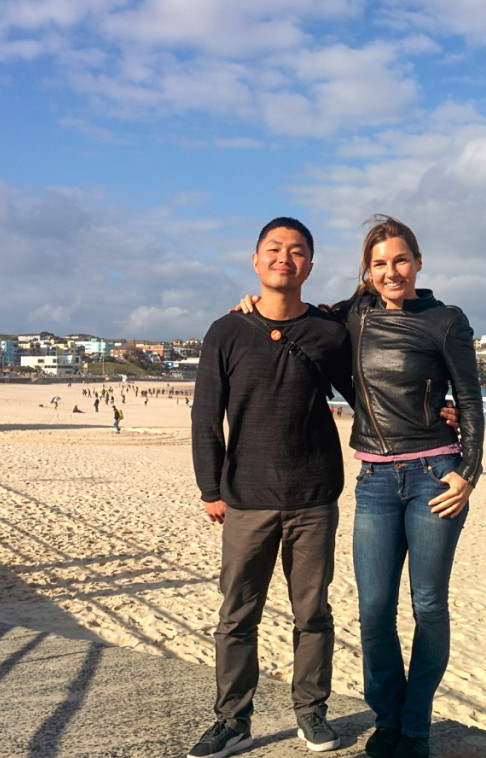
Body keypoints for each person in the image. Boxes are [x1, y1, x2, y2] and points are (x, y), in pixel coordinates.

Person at [189, 218, 359, 758]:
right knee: (237, 615)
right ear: (257, 260)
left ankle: (311, 711)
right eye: (274, 249)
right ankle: (233, 721)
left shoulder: (329, 333)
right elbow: (205, 415)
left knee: (313, 612)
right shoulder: (227, 330)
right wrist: (209, 488)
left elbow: (368, 395)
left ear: (310, 264)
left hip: (313, 497)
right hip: (245, 497)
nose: (285, 257)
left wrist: (437, 412)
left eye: (298, 251)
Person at [332, 215, 484, 758]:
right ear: (367, 272)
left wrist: (469, 471)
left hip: (433, 478)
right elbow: (297, 321)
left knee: (428, 604)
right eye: (379, 263)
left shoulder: (446, 320)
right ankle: (388, 718)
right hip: (373, 478)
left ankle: (415, 725)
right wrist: (249, 307)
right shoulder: (353, 315)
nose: (391, 271)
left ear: (418, 261)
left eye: (400, 260)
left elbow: (468, 399)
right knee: (373, 608)